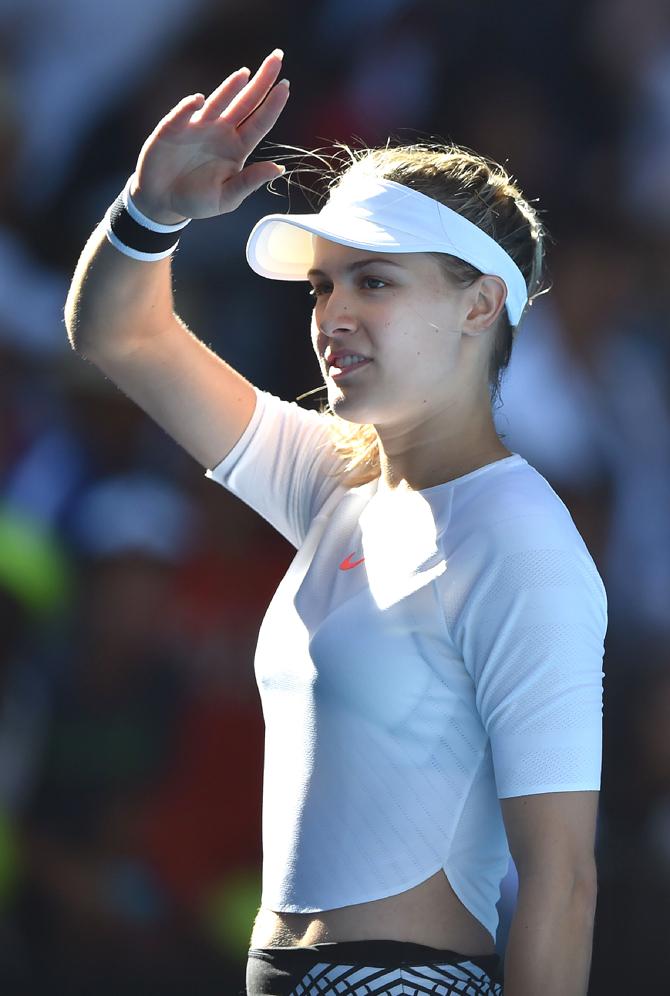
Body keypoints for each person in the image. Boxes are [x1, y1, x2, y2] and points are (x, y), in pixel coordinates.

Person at [65, 49, 607, 996]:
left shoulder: (521, 537)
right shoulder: (336, 478)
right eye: (323, 286)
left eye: (374, 283)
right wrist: (150, 212)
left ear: (482, 303)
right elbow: (121, 333)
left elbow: (563, 885)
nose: (331, 315)